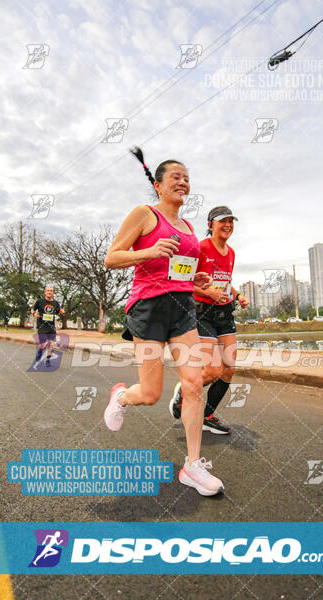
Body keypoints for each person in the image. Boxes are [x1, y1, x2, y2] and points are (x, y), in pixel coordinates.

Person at [104, 149, 224, 496]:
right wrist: (148, 251)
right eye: (176, 177)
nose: (183, 182)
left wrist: (196, 282)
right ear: (158, 185)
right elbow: (112, 257)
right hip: (149, 308)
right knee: (152, 393)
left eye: (187, 177)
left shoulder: (188, 228)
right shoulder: (144, 214)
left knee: (193, 382)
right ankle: (123, 397)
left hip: (182, 307)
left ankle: (193, 466)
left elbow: (179, 271)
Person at [169, 206, 249, 434]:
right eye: (222, 221)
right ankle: (183, 392)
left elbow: (224, 282)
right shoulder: (199, 248)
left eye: (231, 221)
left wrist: (238, 295)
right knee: (213, 370)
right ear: (210, 224)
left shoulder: (231, 253)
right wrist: (208, 294)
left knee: (229, 369)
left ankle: (207, 416)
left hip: (224, 312)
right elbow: (180, 280)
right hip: (202, 312)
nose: (228, 225)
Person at [31, 285, 64, 368]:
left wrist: (62, 312)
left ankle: (48, 360)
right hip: (42, 326)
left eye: (51, 291)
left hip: (51, 327)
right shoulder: (40, 301)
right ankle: (40, 351)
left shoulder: (56, 303)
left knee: (51, 345)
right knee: (43, 345)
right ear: (45, 292)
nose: (49, 292)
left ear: (53, 293)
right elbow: (32, 310)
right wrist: (34, 314)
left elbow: (58, 313)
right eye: (48, 290)